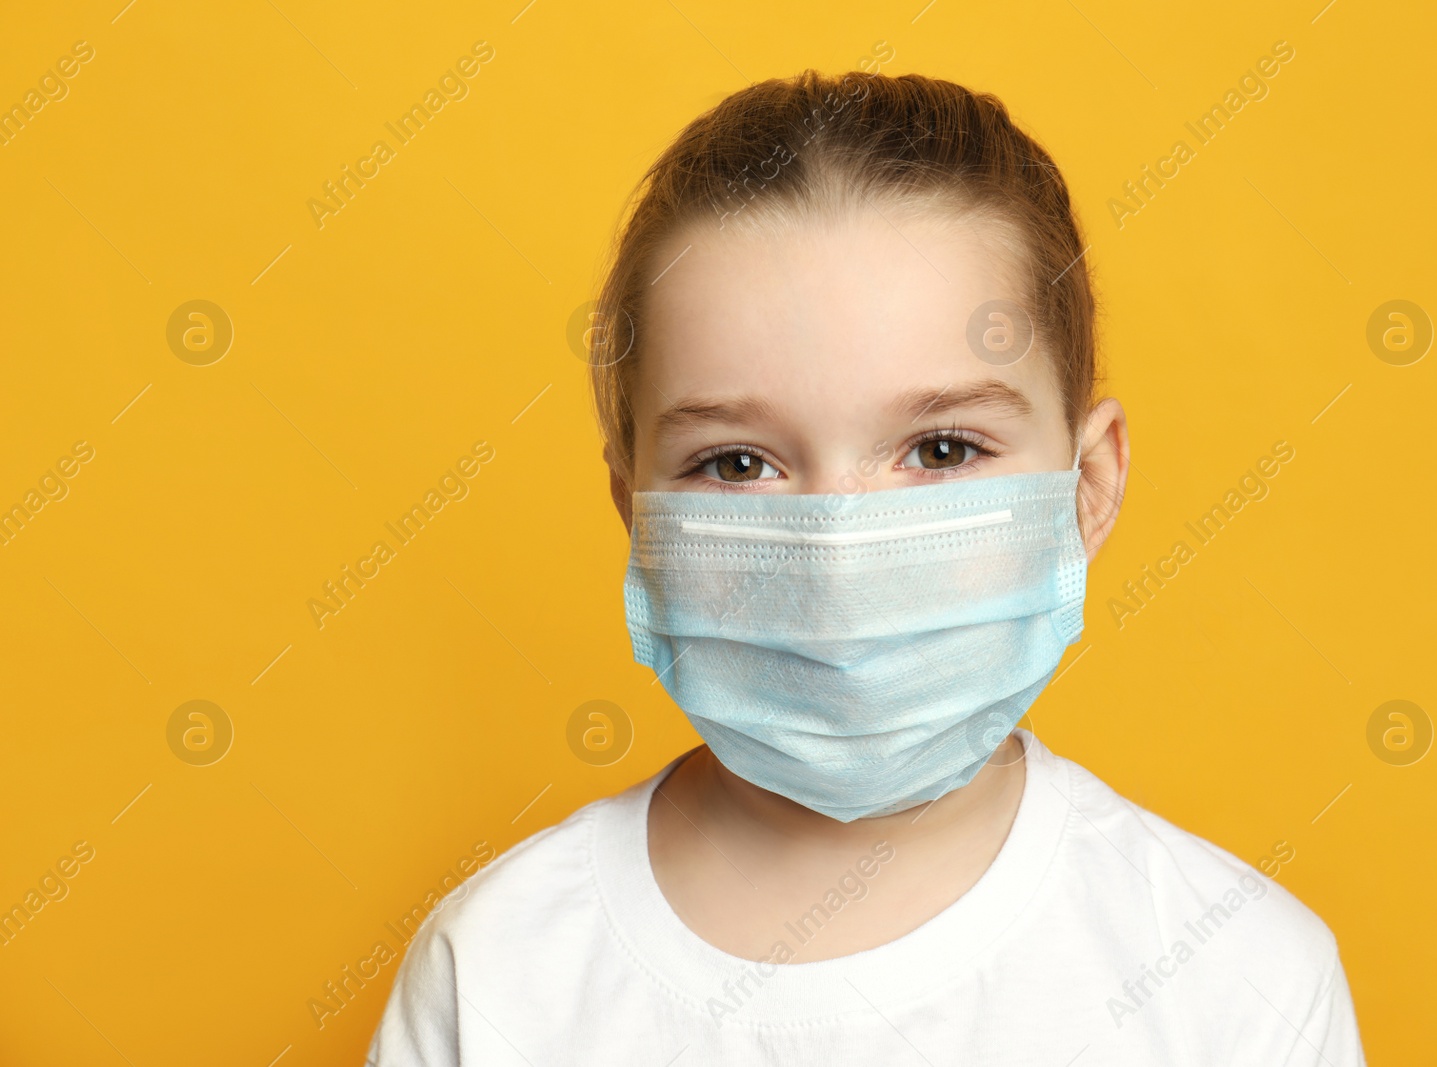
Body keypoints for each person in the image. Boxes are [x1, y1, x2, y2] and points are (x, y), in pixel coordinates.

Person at [366, 69, 1365, 1065]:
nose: (835, 554)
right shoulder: (493, 974)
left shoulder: (1238, 982)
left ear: (1086, 484)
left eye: (939, 450)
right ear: (638, 511)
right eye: (736, 463)